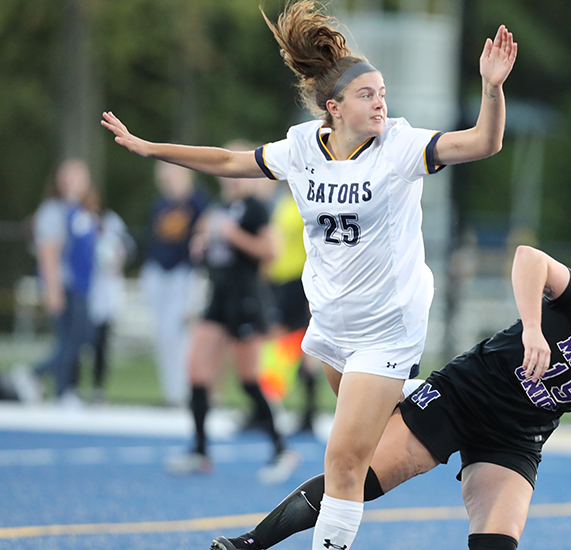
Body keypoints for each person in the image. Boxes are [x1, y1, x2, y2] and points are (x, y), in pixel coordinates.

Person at [101, 2, 515, 547]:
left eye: (383, 92)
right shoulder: (301, 147)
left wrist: (491, 88)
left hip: (388, 326)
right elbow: (229, 163)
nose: (381, 103)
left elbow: (485, 142)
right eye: (368, 95)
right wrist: (151, 148)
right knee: (372, 438)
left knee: (344, 461)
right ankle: (446, 402)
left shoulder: (401, 146)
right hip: (333, 326)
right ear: (333, 107)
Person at [209, 245, 571, 550]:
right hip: (459, 400)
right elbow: (527, 258)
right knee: (362, 481)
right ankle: (252, 544)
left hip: (515, 439)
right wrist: (535, 328)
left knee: (498, 542)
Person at [162, 142, 300, 484]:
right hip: (218, 296)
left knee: (249, 378)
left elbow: (271, 250)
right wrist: (203, 243)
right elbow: (208, 242)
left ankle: (281, 448)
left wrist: (232, 235)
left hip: (244, 297)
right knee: (196, 371)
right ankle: (199, 449)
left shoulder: (254, 209)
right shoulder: (219, 208)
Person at [20, 159, 98, 407]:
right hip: (64, 285)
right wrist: (52, 291)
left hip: (81, 285)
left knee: (77, 340)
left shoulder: (81, 211)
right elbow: (49, 253)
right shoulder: (53, 211)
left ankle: (62, 390)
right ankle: (37, 377)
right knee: (70, 341)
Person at [142, 161, 210, 407]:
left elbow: (204, 233)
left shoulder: (198, 202)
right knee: (164, 336)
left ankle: (185, 392)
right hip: (159, 273)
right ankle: (173, 392)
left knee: (181, 335)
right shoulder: (160, 204)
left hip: (183, 274)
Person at [263, 183, 322, 434]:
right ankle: (271, 406)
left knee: (303, 344)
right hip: (282, 282)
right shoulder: (284, 202)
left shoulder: (308, 203)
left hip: (298, 281)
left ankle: (306, 411)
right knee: (281, 345)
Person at [84, 187, 136, 404]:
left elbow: (126, 247)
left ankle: (98, 386)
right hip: (85, 286)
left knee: (101, 340)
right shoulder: (80, 221)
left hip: (106, 287)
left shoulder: (111, 221)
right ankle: (70, 385)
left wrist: (118, 260)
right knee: (79, 338)